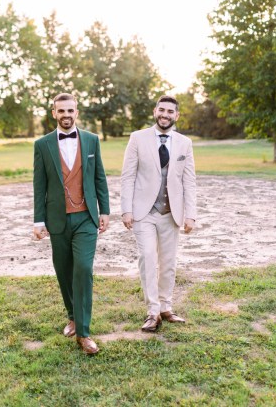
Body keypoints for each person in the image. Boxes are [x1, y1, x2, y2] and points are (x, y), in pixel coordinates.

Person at [33, 92, 110, 355]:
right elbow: (39, 185)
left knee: (83, 269)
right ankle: (72, 315)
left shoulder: (91, 140)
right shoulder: (42, 145)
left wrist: (105, 211)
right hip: (57, 218)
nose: (66, 115)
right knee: (63, 269)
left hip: (86, 217)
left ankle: (84, 333)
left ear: (77, 112)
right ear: (53, 113)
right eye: (61, 111)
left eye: (70, 110)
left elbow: (99, 177)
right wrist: (38, 220)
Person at [120, 95, 196, 332]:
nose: (165, 115)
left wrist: (190, 214)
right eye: (161, 110)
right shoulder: (137, 138)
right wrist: (126, 209)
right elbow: (128, 176)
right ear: (155, 111)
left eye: (170, 111)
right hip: (144, 212)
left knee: (169, 262)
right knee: (148, 259)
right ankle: (152, 312)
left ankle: (166, 307)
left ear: (177, 115)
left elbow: (189, 181)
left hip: (171, 212)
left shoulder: (185, 143)